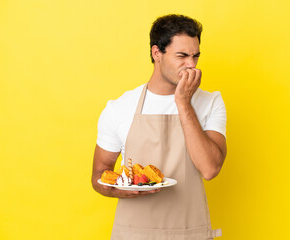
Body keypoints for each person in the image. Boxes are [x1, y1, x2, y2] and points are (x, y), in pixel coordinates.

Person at [91, 14, 227, 240]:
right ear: (157, 53)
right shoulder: (119, 108)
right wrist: (119, 188)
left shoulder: (210, 102)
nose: (191, 65)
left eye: (195, 56)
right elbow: (98, 174)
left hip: (189, 233)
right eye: (182, 56)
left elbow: (210, 169)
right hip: (133, 234)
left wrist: (183, 102)